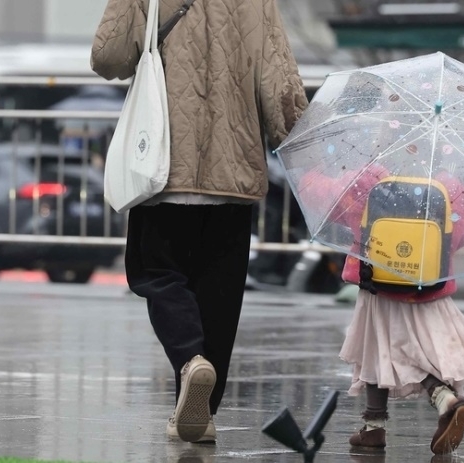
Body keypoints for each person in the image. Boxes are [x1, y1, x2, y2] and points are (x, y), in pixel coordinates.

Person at [91, 0, 307, 444]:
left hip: (165, 164)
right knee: (219, 298)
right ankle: (200, 416)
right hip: (236, 169)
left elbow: (108, 57)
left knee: (156, 273)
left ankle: (191, 360)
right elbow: (279, 81)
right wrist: (302, 148)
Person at [299, 166, 464, 455]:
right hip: (426, 283)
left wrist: (310, 178)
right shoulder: (448, 184)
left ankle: (443, 398)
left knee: (379, 348)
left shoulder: (370, 177)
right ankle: (374, 427)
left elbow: (334, 204)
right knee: (395, 349)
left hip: (377, 280)